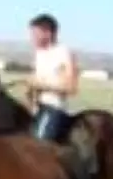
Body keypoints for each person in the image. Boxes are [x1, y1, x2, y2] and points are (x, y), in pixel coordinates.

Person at [26, 13, 79, 142]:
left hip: (53, 108)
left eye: (35, 34)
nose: (31, 38)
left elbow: (72, 87)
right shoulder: (39, 54)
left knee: (37, 148)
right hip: (38, 109)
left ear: (48, 33)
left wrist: (41, 85)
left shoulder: (64, 53)